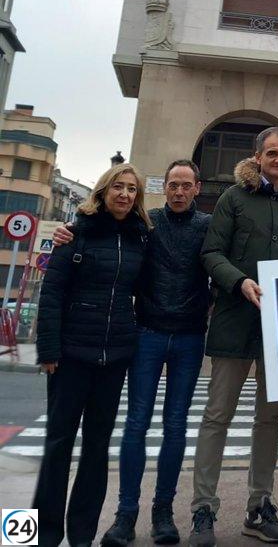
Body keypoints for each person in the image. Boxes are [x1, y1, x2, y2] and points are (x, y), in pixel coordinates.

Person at [53, 159, 212, 547]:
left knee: (175, 426)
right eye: (172, 184)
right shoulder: (148, 224)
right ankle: (126, 514)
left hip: (190, 337)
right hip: (147, 333)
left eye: (185, 185)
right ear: (164, 187)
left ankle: (163, 511)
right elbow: (106, 228)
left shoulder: (208, 226)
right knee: (136, 424)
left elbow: (231, 257)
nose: (178, 191)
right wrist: (69, 230)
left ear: (197, 188)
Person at [190, 127, 278, 547]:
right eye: (272, 153)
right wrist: (239, 281)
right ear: (258, 156)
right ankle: (203, 511)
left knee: (270, 419)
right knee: (216, 417)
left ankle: (258, 507)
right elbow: (212, 253)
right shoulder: (233, 198)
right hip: (232, 321)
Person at [33, 163, 151, 547]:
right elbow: (51, 294)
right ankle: (41, 536)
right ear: (103, 191)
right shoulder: (76, 234)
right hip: (69, 356)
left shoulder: (139, 239)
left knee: (97, 448)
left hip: (114, 357)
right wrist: (48, 349)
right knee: (57, 446)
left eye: (132, 189)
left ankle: (82, 535)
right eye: (118, 186)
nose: (125, 194)